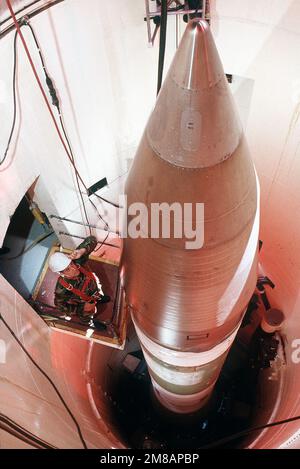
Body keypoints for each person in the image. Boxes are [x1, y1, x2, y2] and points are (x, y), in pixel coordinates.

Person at [48, 235, 110, 325]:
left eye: (71, 264)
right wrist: (82, 309)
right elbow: (60, 306)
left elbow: (92, 240)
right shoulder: (62, 288)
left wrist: (82, 251)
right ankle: (90, 322)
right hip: (84, 304)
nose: (74, 269)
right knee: (87, 315)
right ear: (61, 273)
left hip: (93, 291)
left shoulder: (78, 260)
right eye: (67, 269)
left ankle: (98, 299)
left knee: (96, 295)